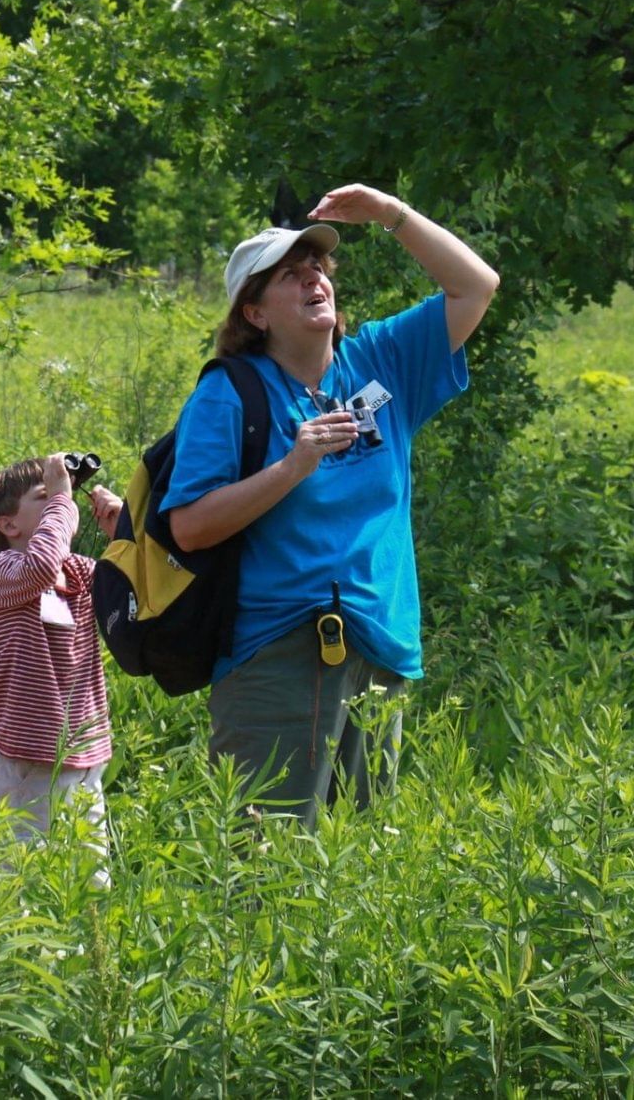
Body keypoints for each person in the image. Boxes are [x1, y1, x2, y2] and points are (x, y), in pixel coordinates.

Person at [161, 183, 499, 824]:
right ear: (254, 313)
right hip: (277, 653)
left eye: (318, 267)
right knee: (266, 864)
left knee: (357, 866)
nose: (314, 279)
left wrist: (390, 213)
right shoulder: (230, 394)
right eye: (290, 275)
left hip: (380, 644)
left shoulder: (381, 361)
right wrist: (293, 466)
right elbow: (190, 527)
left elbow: (475, 287)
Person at [0, 453, 123, 854]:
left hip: (84, 752)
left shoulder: (79, 571)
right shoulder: (2, 569)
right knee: (24, 876)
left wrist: (123, 534)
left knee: (91, 879)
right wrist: (64, 500)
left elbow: (136, 593)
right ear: (9, 525)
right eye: (46, 496)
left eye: (65, 494)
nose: (64, 500)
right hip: (26, 757)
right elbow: (40, 567)